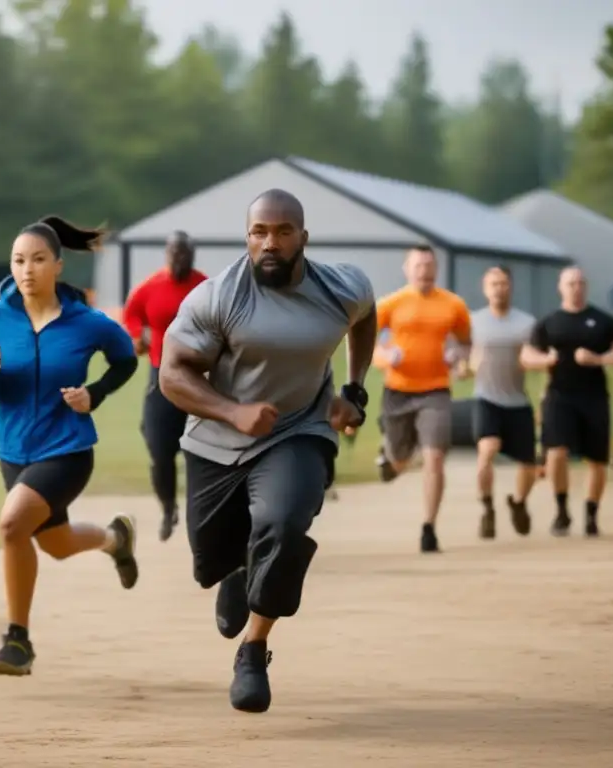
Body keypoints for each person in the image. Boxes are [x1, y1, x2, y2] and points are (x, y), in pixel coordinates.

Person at [159, 189, 376, 715]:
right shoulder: (218, 297)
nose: (270, 243)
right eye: (259, 232)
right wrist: (233, 412)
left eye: (282, 232)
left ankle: (254, 649)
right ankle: (234, 574)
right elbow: (172, 373)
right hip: (217, 440)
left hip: (298, 430)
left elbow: (366, 316)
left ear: (304, 236)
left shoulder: (341, 287)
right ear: (247, 236)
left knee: (283, 523)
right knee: (210, 562)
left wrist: (353, 389)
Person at [0, 216, 140, 677]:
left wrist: (94, 394)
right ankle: (116, 539)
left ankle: (17, 639)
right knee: (54, 543)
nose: (27, 269)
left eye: (38, 260)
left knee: (12, 524)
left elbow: (125, 359)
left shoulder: (86, 321)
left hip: (68, 450)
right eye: (19, 260)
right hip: (12, 453)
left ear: (57, 265)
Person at [373, 246, 472, 553]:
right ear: (407, 268)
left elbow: (467, 343)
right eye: (418, 265)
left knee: (435, 457)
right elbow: (364, 344)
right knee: (401, 458)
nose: (424, 270)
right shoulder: (391, 304)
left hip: (436, 390)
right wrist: (386, 356)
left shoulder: (453, 305)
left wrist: (458, 356)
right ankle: (390, 459)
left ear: (436, 268)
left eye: (429, 265)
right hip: (398, 391)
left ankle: (429, 528)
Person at [122, 230, 207, 541]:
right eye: (174, 253)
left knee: (199, 449)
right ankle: (168, 506)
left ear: (192, 255)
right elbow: (131, 314)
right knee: (159, 448)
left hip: (198, 376)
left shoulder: (204, 286)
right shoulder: (151, 286)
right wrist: (136, 335)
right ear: (167, 255)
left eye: (185, 253)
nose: (179, 259)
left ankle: (200, 513)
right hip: (161, 374)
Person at [520, 266, 613, 537]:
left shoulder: (602, 321)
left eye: (580, 283)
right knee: (556, 453)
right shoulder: (549, 323)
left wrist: (598, 360)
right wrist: (546, 361)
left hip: (594, 397)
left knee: (596, 460)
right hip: (559, 396)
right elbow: (527, 356)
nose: (576, 288)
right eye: (571, 283)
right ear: (560, 288)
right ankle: (562, 510)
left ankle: (591, 514)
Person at [466, 266, 537, 539]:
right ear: (485, 288)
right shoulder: (474, 322)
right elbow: (462, 356)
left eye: (504, 283)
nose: (499, 288)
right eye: (494, 284)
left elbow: (532, 355)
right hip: (487, 399)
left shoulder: (526, 323)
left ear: (511, 287)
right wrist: (463, 366)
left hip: (518, 401)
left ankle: (518, 502)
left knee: (528, 466)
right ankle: (487, 509)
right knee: (487, 452)